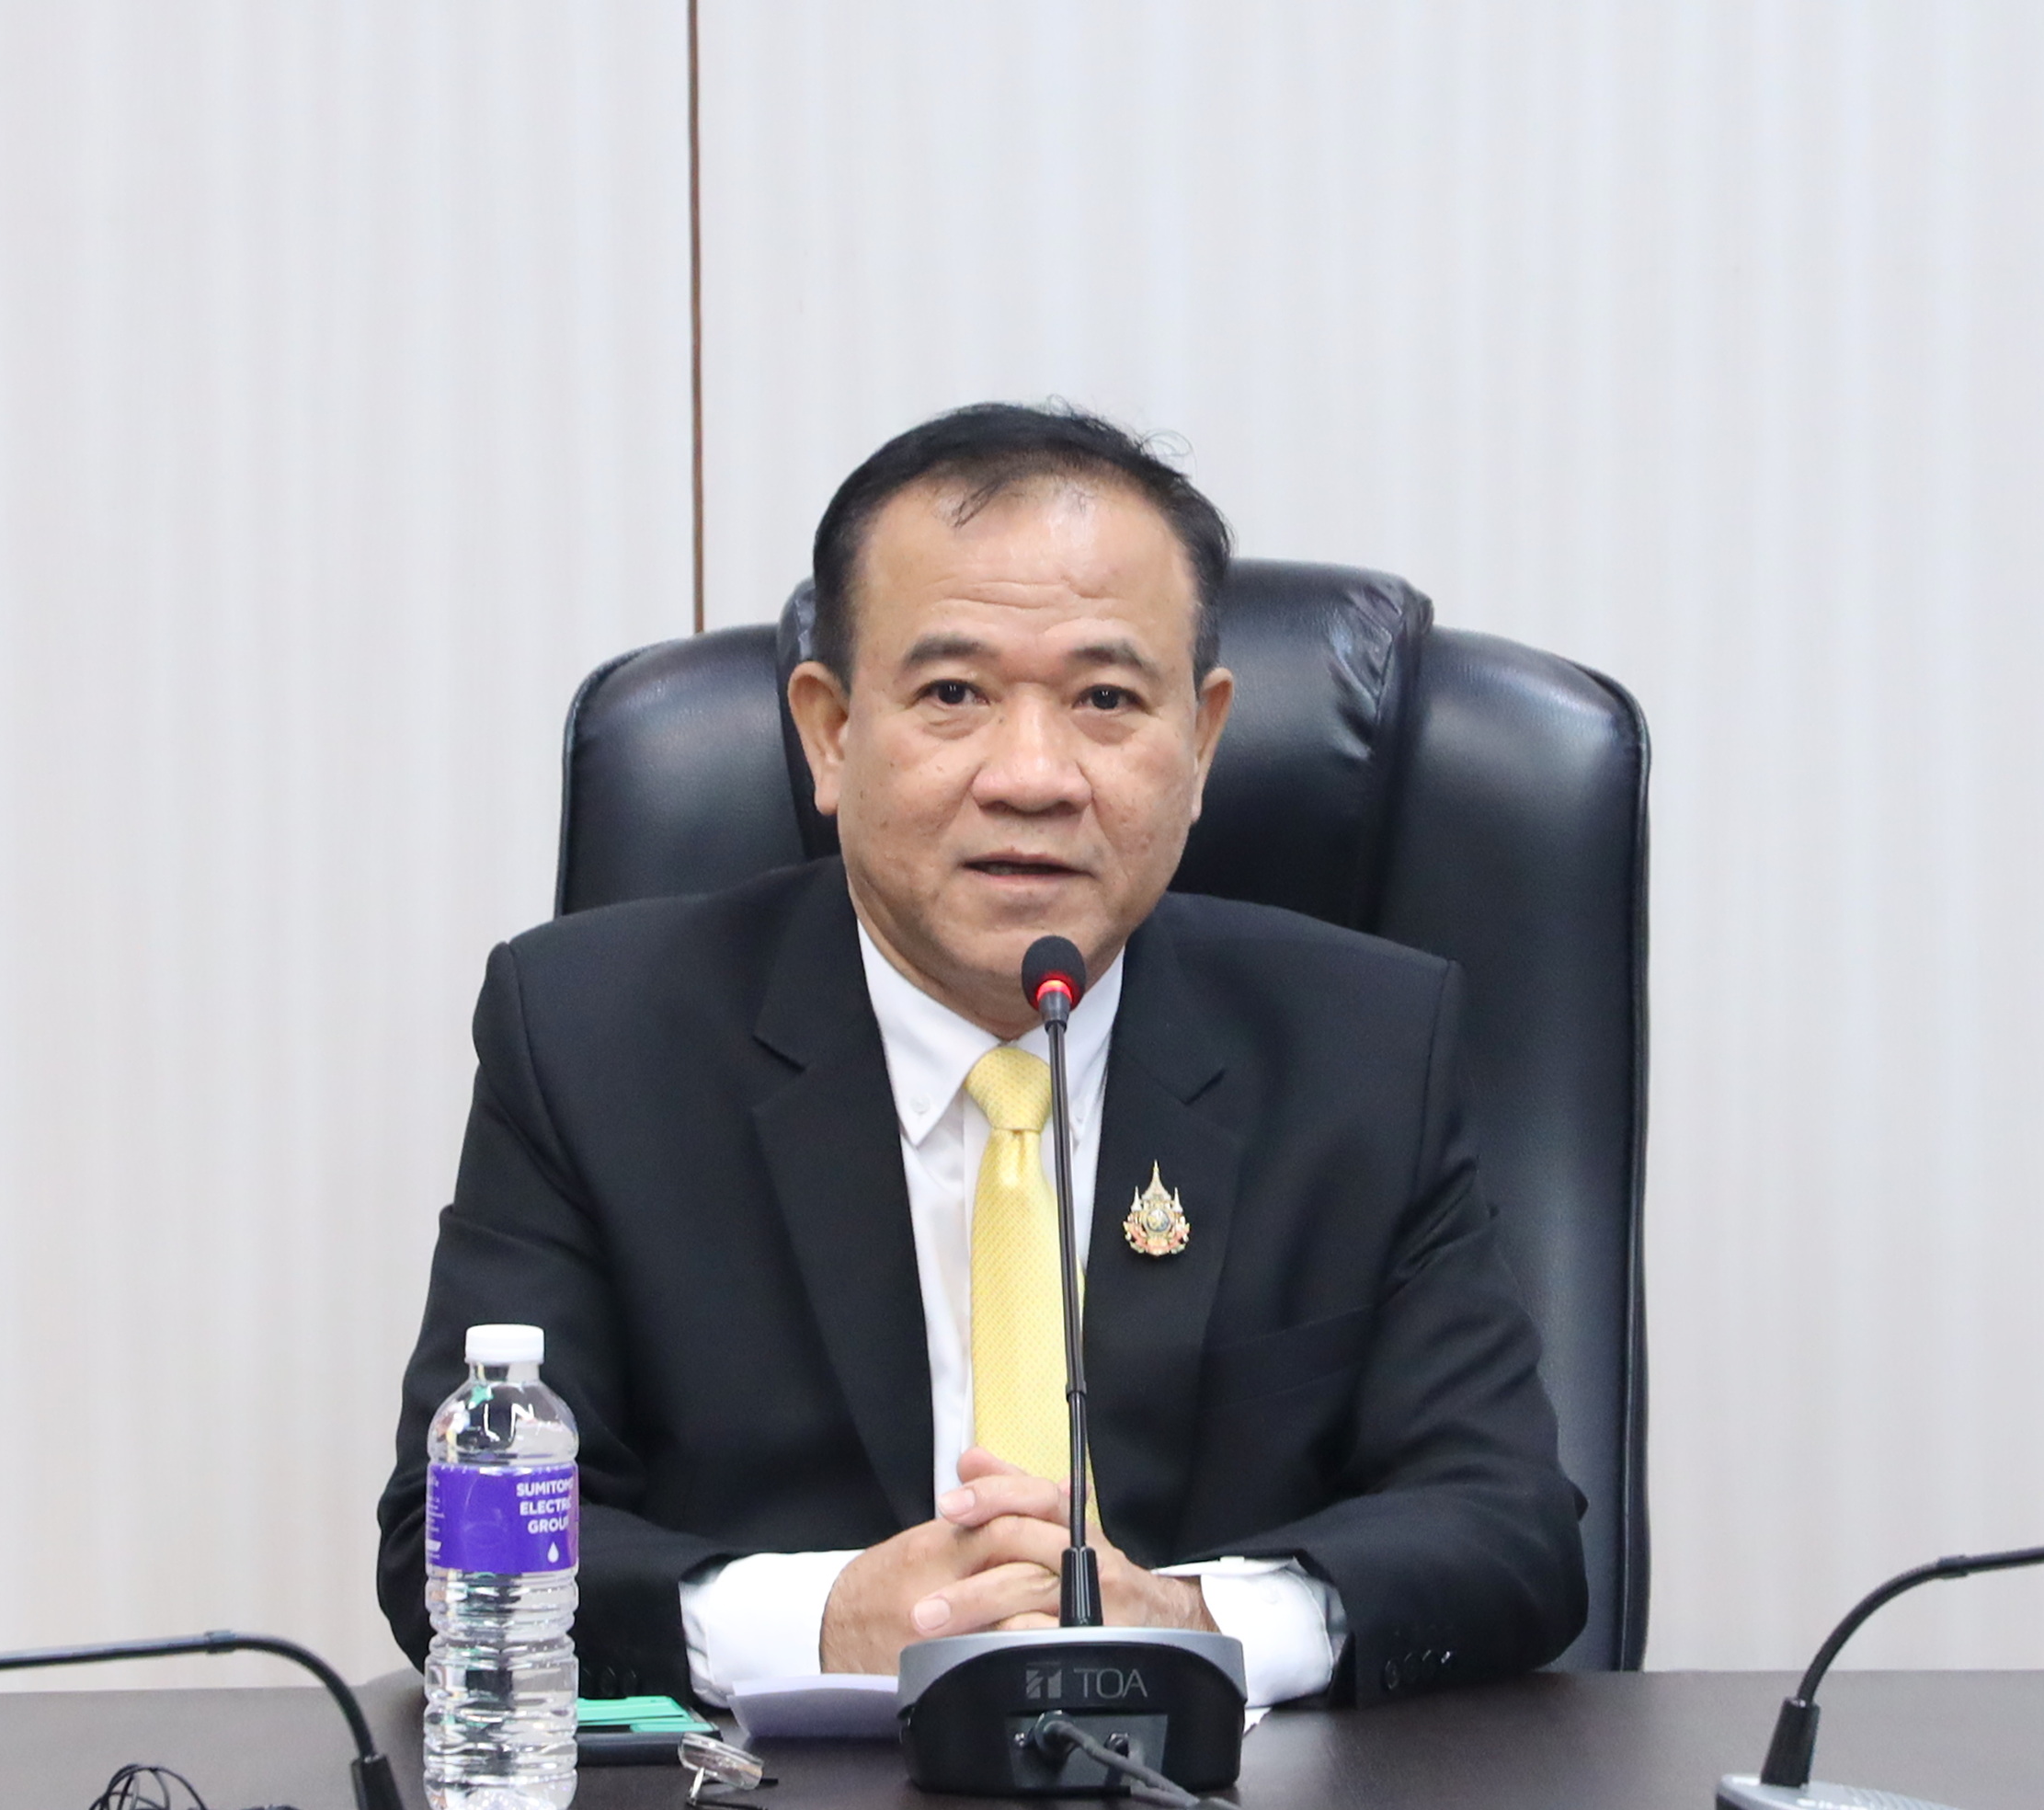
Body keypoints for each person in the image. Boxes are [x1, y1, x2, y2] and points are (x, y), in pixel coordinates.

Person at [377, 403, 1586, 1709]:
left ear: (1201, 743)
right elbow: (455, 1540)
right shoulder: (592, 1037)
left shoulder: (1364, 1046)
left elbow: (1508, 1529)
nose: (1032, 775)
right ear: (830, 732)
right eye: (953, 694)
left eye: (1106, 700)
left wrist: (1185, 1623)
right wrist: (827, 1621)